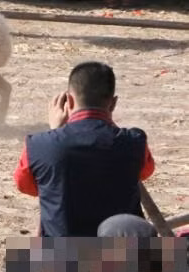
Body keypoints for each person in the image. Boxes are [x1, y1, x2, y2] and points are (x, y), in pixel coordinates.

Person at [13, 61, 155, 237]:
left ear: (69, 101)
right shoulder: (134, 142)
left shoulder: (39, 145)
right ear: (113, 104)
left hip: (61, 260)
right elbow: (144, 172)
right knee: (175, 254)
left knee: (15, 258)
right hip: (122, 258)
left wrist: (56, 132)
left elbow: (27, 186)